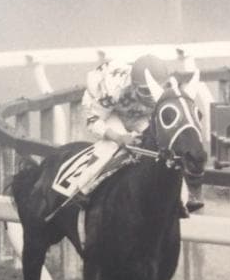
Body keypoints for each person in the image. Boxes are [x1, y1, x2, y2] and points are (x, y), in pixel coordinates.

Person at [70, 54, 203, 215]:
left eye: (156, 89)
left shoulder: (168, 87)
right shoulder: (112, 87)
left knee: (162, 146)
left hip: (140, 115)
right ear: (133, 85)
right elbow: (92, 120)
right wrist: (119, 137)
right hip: (110, 113)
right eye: (146, 91)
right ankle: (83, 188)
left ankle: (182, 196)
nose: (152, 96)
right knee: (111, 147)